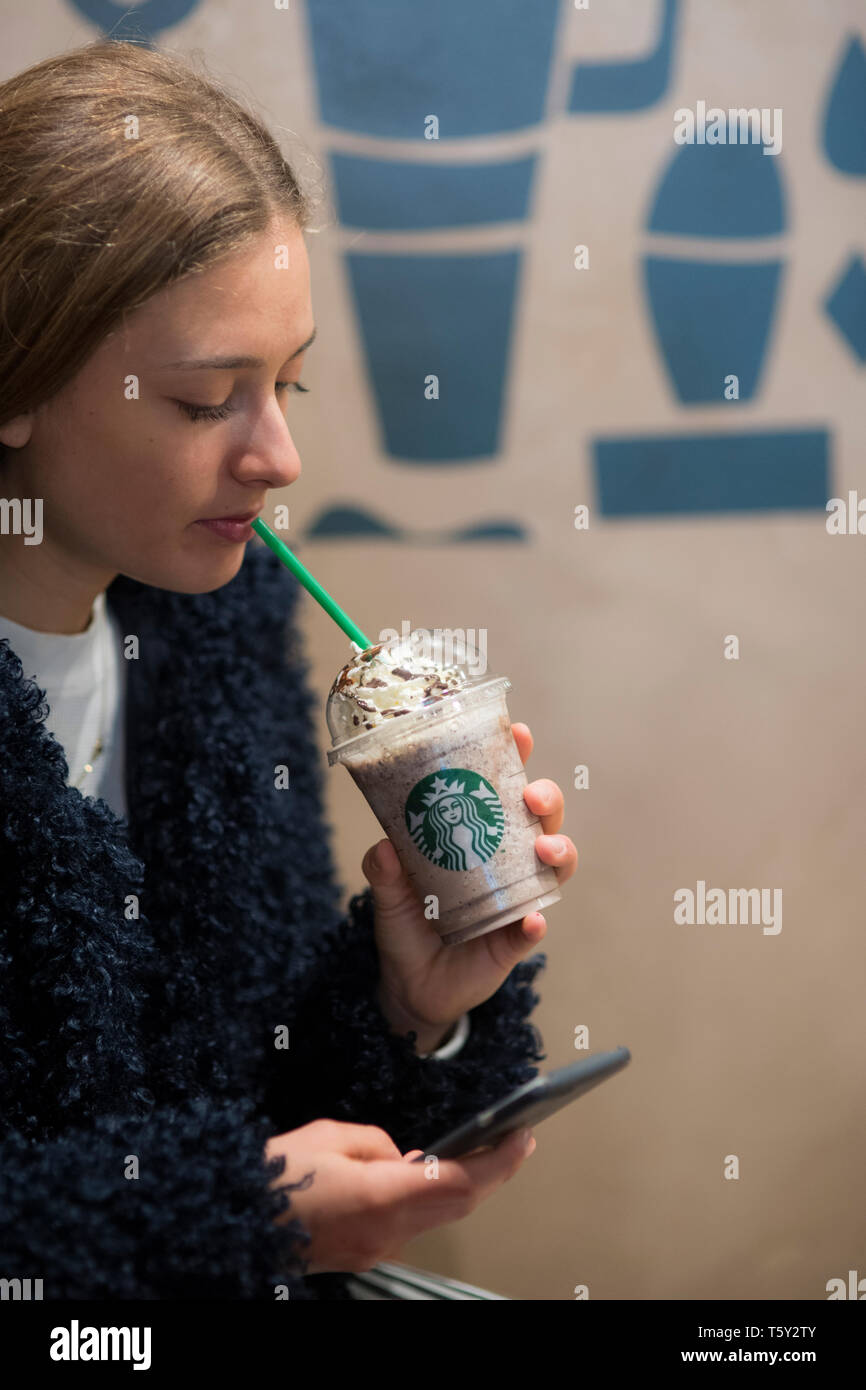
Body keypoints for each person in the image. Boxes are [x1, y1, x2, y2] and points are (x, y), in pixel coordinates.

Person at [0, 39, 578, 1300]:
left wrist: (404, 1000)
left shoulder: (215, 615)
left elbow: (260, 1091)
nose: (279, 457)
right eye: (211, 399)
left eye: (290, 381)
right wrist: (232, 1218)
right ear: (18, 379)